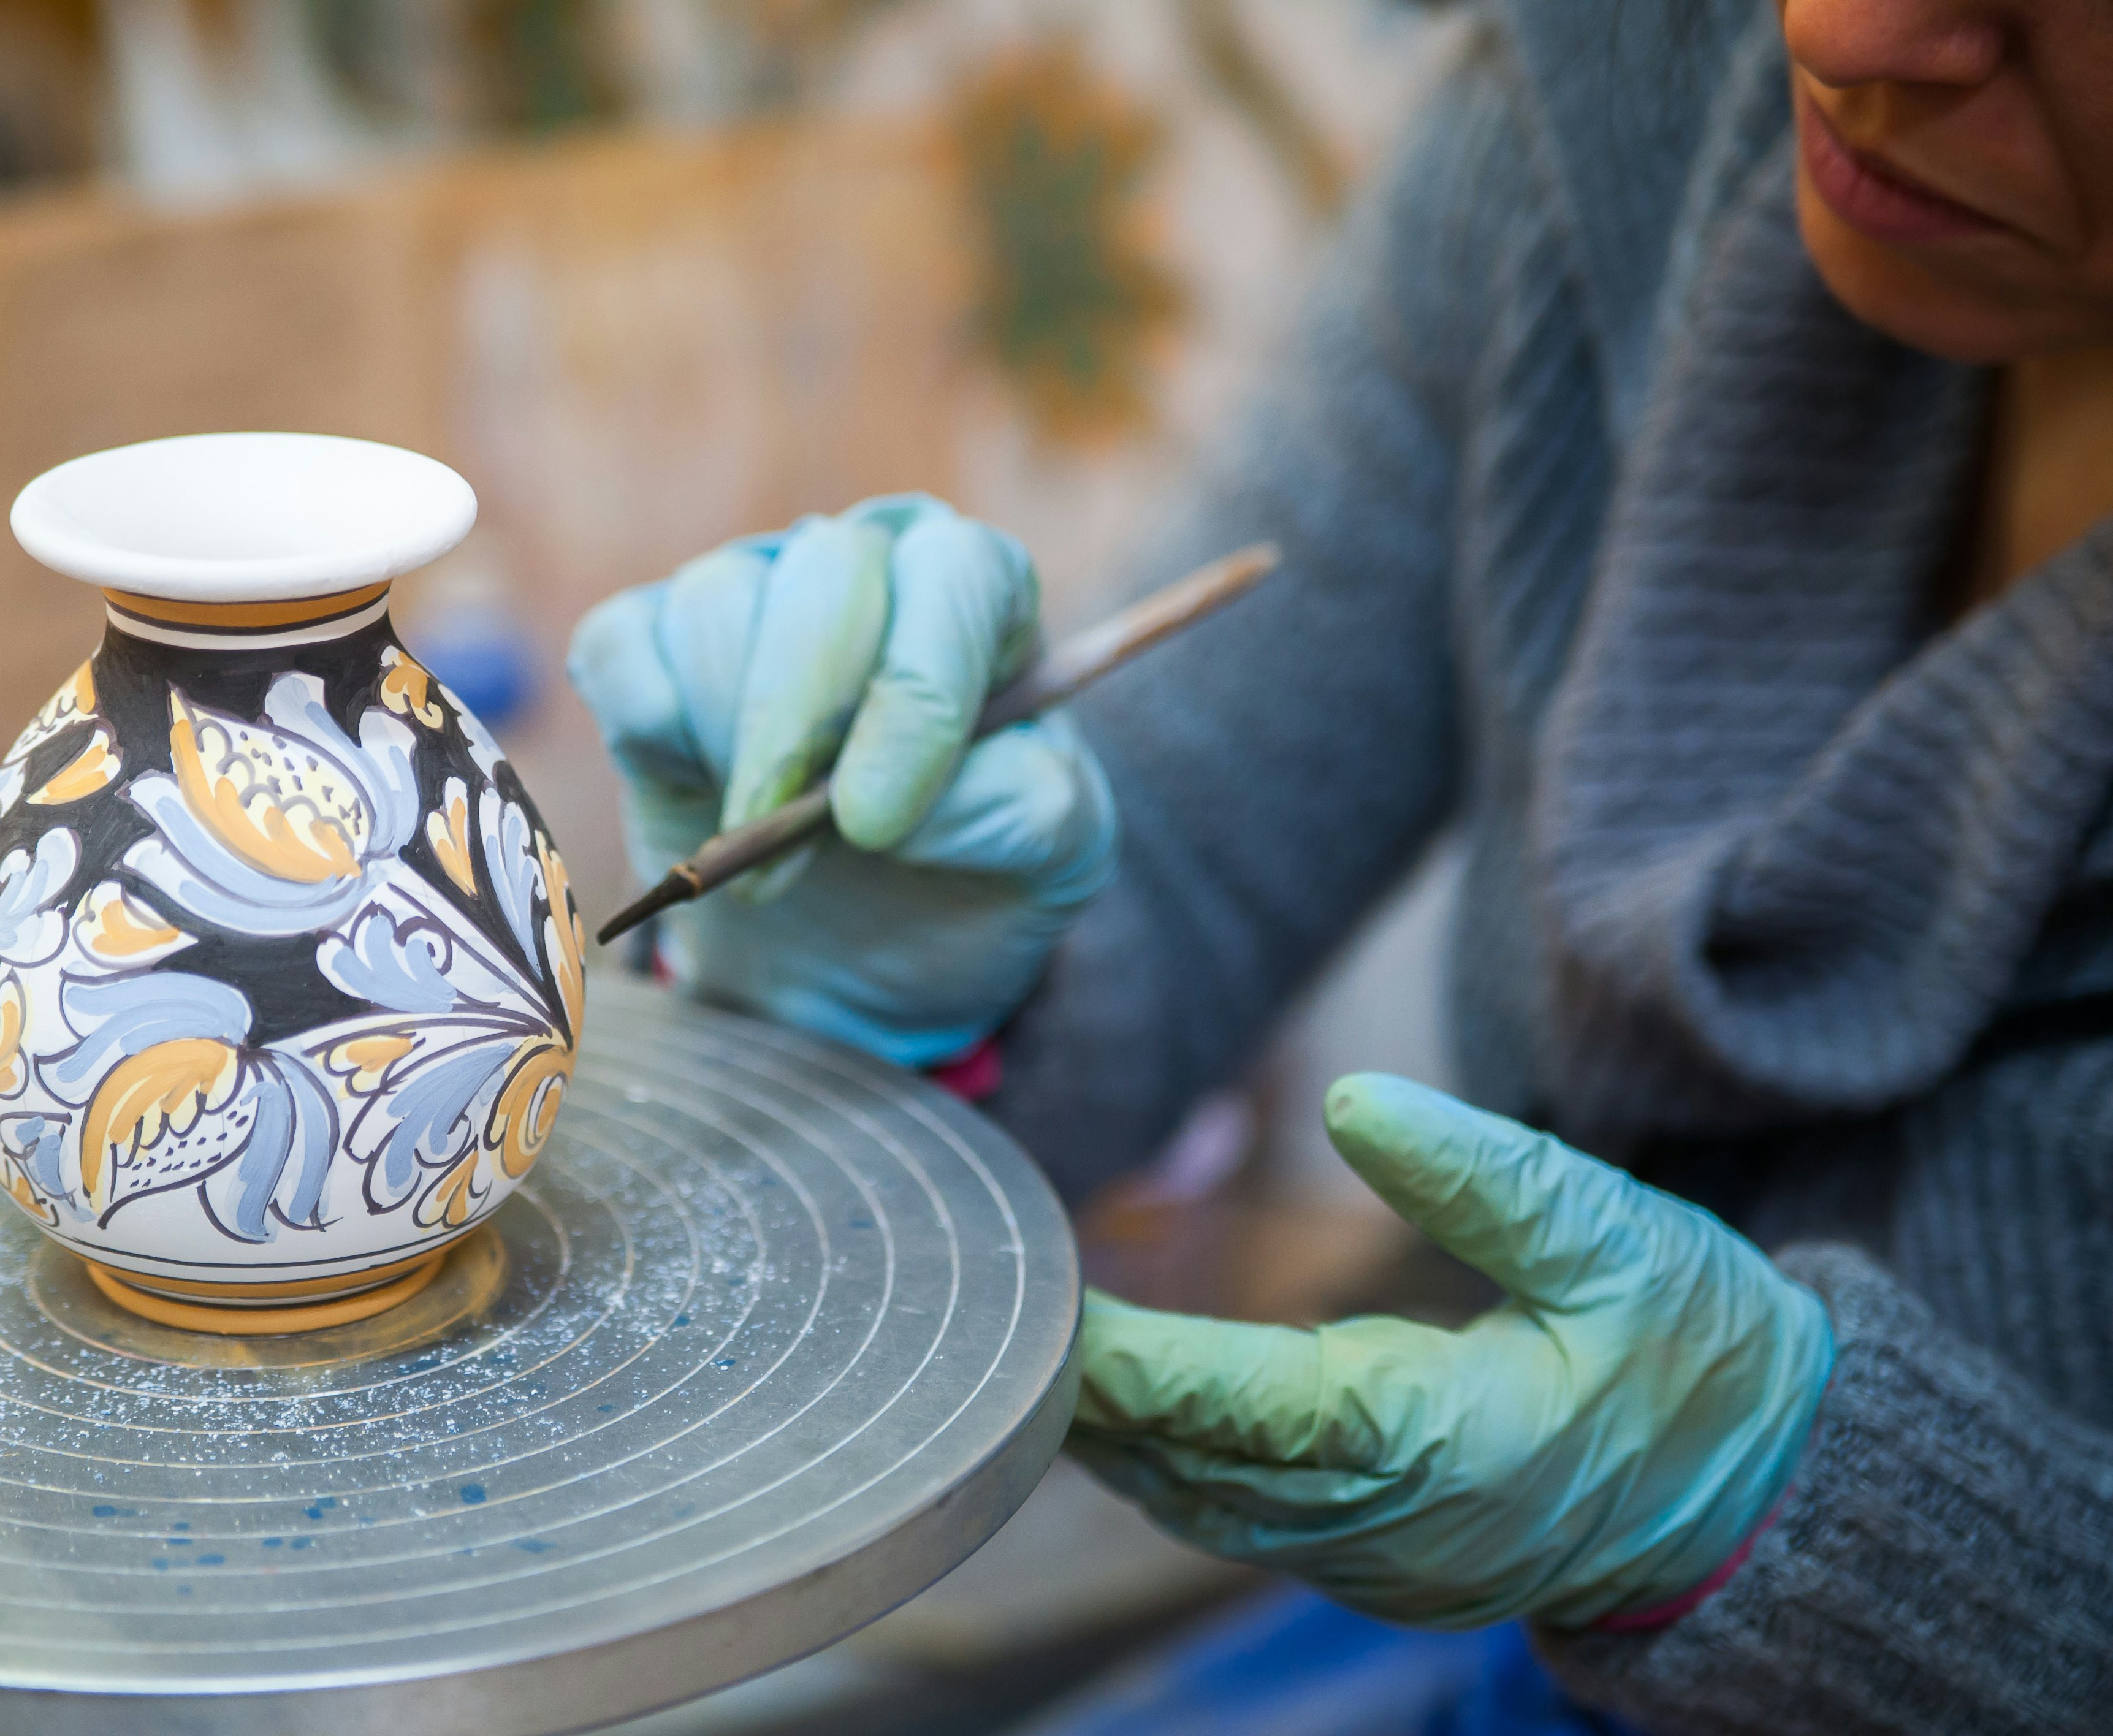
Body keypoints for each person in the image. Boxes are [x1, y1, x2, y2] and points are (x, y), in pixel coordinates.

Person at [566, 1, 2113, 1731]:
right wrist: (916, 991)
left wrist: (1817, 1525)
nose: (1851, 29)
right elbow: (1187, 836)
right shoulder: (1648, 99)